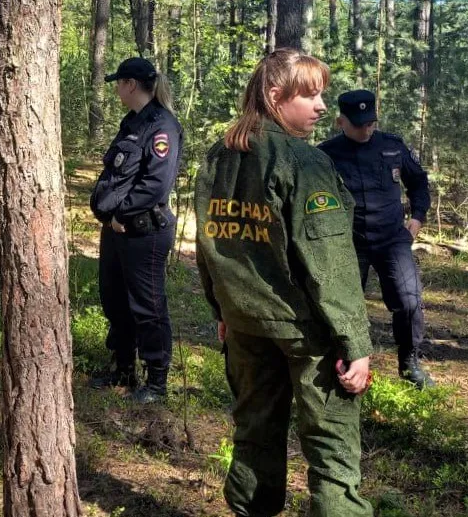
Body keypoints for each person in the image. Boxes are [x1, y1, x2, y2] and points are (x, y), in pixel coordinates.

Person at [196, 49, 374, 516]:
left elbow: (210, 243)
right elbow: (330, 262)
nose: (320, 106)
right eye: (310, 95)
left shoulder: (221, 154)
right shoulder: (303, 161)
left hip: (245, 324)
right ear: (276, 96)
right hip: (305, 330)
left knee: (254, 431)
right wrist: (355, 342)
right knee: (332, 447)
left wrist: (223, 312)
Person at [318, 90, 435, 388]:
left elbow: (418, 182)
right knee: (343, 305)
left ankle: (410, 364)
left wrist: (417, 218)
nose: (366, 129)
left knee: (409, 302)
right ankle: (343, 364)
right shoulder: (325, 155)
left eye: (370, 122)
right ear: (340, 121)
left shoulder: (392, 147)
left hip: (392, 239)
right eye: (358, 124)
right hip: (348, 242)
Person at [88, 57, 183, 404]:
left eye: (118, 82)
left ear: (130, 84)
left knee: (147, 305)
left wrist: (122, 215)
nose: (116, 89)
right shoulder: (132, 122)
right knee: (114, 299)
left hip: (144, 231)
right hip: (116, 229)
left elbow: (155, 185)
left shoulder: (162, 126)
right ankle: (123, 370)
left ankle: (156, 382)